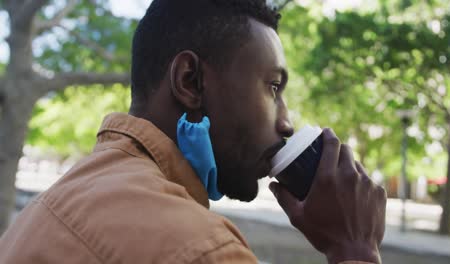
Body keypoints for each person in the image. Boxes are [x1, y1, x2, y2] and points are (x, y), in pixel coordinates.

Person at [0, 0, 386, 263]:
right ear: (190, 81)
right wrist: (354, 248)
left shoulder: (54, 202)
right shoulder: (201, 249)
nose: (286, 122)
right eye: (272, 87)